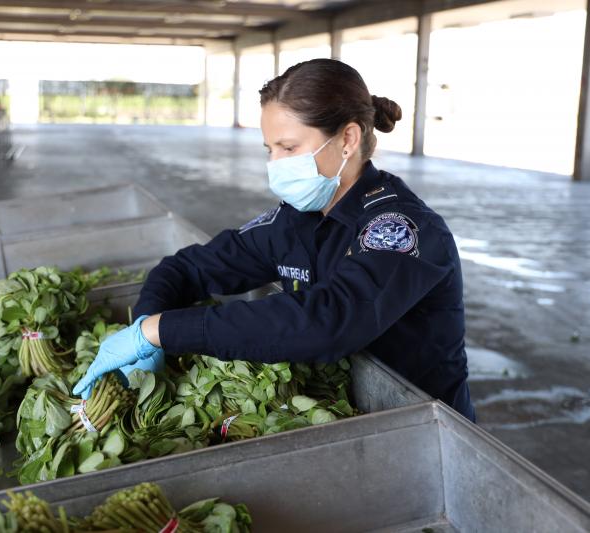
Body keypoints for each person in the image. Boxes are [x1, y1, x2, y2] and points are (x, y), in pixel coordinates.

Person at [74, 58, 476, 422]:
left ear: (347, 139)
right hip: (342, 418)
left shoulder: (400, 229)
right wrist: (147, 328)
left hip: (422, 427)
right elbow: (186, 268)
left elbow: (327, 321)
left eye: (289, 147)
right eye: (270, 149)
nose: (275, 164)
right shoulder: (295, 219)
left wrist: (161, 331)